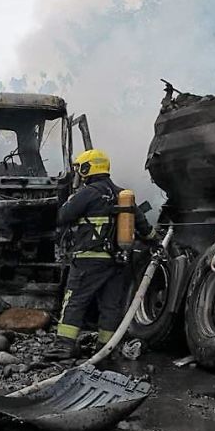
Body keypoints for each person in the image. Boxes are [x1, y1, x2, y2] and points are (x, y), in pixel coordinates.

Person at [54, 148, 153, 357]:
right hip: (117, 261)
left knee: (75, 300)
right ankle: (105, 348)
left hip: (88, 260)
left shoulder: (87, 193)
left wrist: (67, 197)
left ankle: (63, 346)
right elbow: (143, 226)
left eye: (80, 168)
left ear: (88, 168)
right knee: (111, 306)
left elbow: (63, 216)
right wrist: (156, 241)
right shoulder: (122, 194)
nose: (78, 173)